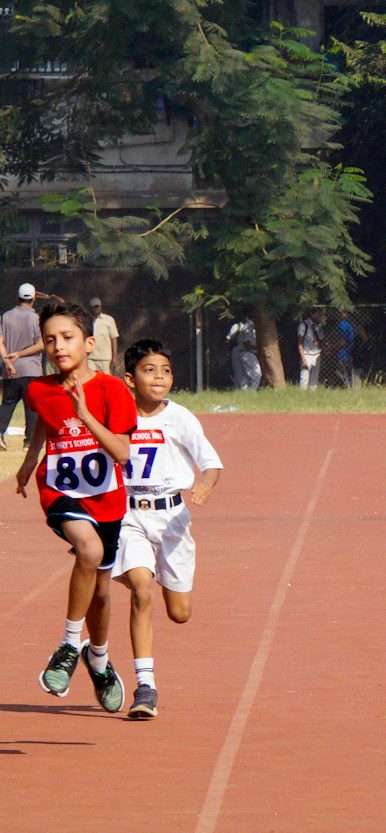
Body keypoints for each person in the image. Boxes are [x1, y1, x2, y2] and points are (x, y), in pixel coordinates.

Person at [13, 301, 136, 714]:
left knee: (101, 592)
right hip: (62, 493)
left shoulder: (113, 390)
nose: (58, 347)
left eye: (66, 338)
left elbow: (121, 453)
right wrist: (30, 464)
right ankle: (68, 645)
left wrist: (86, 415)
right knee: (88, 549)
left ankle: (97, 661)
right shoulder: (39, 389)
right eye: (49, 340)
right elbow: (48, 422)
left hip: (107, 499)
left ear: (88, 342)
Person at [109, 338, 224, 720]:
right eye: (149, 370)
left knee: (179, 613)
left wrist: (205, 484)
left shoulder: (181, 418)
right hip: (130, 516)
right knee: (142, 592)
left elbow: (210, 463)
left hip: (172, 519)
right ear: (129, 378)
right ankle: (146, 687)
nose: (159, 377)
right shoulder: (117, 415)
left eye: (166, 370)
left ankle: (144, 569)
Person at [1, 282, 48, 450]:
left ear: (17, 297)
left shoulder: (6, 316)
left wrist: (7, 361)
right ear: (34, 299)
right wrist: (20, 354)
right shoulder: (37, 319)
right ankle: (29, 442)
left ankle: (0, 435)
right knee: (31, 406)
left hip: (10, 369)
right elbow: (41, 344)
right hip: (32, 369)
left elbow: (1, 342)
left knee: (7, 403)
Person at [226, 316, 261, 390]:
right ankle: (246, 392)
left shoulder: (253, 326)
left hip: (246, 352)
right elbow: (228, 340)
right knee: (241, 373)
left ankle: (246, 392)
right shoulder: (243, 326)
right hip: (241, 351)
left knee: (247, 375)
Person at [88, 297, 119, 375]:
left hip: (105, 358)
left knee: (107, 380)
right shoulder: (87, 320)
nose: (97, 309)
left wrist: (114, 356)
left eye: (98, 306)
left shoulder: (109, 320)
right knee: (92, 379)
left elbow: (114, 338)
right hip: (90, 357)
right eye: (94, 307)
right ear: (90, 308)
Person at [297, 310, 323, 389]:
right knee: (304, 376)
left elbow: (321, 339)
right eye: (317, 314)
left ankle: (312, 395)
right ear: (311, 314)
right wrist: (303, 357)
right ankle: (302, 395)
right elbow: (299, 342)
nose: (318, 316)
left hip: (316, 353)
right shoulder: (304, 325)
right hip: (307, 354)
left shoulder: (318, 326)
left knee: (314, 378)